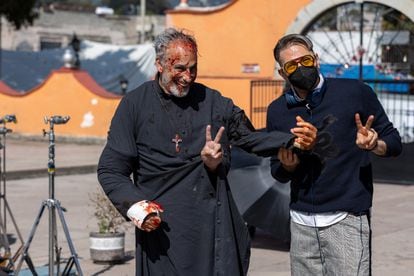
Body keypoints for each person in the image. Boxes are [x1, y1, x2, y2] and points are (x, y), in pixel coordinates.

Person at [97, 28, 317, 276]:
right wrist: (138, 209)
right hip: (160, 227)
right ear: (159, 64)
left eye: (193, 68)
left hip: (211, 225)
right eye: (179, 68)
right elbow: (111, 169)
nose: (187, 77)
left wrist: (294, 141)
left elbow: (250, 137)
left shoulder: (213, 102)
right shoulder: (134, 105)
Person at [266, 33, 402, 276]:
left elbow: (393, 142)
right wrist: (288, 165)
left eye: (306, 61)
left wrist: (374, 144)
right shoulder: (277, 111)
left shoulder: (355, 92)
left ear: (316, 59)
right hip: (301, 224)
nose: (301, 68)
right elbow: (277, 171)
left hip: (346, 219)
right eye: (292, 65)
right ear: (282, 73)